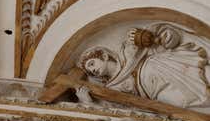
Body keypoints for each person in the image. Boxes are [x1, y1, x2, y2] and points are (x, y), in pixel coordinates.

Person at [77, 23, 210, 108]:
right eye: (91, 71)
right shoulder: (111, 89)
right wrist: (87, 102)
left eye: (92, 63)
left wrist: (166, 37)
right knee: (188, 105)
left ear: (104, 56)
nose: (93, 70)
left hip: (167, 68)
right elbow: (110, 111)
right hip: (158, 93)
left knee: (202, 76)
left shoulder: (128, 51)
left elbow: (157, 37)